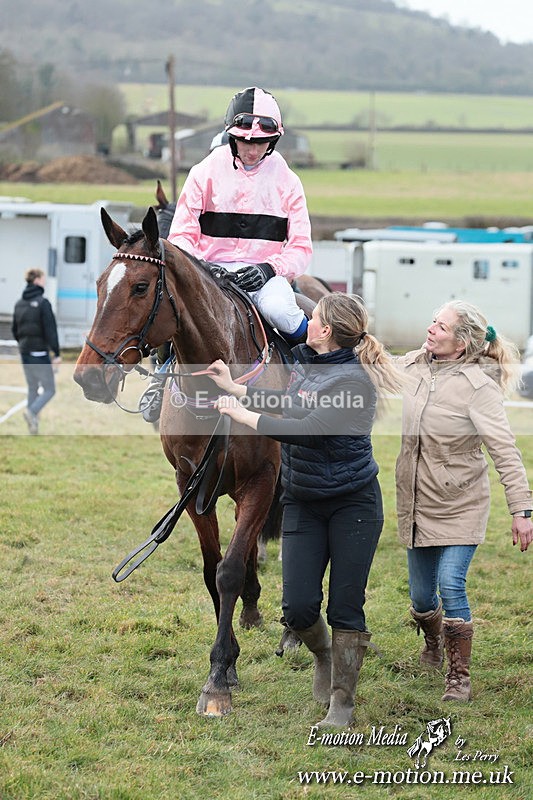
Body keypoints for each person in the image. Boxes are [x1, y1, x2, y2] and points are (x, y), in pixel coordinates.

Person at [208, 293, 402, 727]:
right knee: (297, 609)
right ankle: (325, 655)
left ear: (327, 331)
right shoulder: (306, 365)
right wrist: (235, 387)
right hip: (303, 500)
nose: (306, 322)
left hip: (353, 503)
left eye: (312, 318)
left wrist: (243, 415)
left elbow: (310, 430)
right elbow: (290, 404)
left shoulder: (353, 380)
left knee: (345, 608)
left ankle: (342, 704)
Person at [138, 87, 314, 424]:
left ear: (273, 141)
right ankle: (161, 378)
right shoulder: (202, 173)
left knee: (280, 310)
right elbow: (182, 236)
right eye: (245, 141)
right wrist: (202, 270)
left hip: (265, 276)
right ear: (231, 137)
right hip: (208, 272)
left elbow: (302, 247)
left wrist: (268, 269)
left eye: (260, 142)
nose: (252, 148)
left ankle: (311, 375)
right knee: (172, 309)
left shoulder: (289, 181)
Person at [395, 300, 532, 703]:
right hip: (418, 503)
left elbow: (505, 450)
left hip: (461, 502)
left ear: (462, 343)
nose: (431, 328)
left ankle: (458, 676)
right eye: (433, 320)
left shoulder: (479, 387)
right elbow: (376, 364)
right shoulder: (415, 365)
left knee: (450, 583)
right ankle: (434, 642)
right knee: (421, 599)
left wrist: (522, 511)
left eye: (442, 326)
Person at [12, 268, 61, 435]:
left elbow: (14, 330)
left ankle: (32, 427)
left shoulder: (19, 303)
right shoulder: (43, 303)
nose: (45, 281)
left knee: (33, 387)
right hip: (39, 353)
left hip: (24, 352)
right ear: (37, 280)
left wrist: (24, 345)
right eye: (43, 278)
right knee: (49, 389)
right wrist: (57, 353)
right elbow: (51, 331)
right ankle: (32, 412)